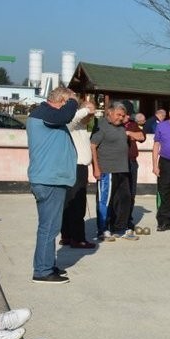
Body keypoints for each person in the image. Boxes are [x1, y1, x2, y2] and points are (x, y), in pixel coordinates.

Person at [26, 87, 78, 284]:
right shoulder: (46, 112)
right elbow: (65, 115)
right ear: (62, 101)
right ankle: (42, 271)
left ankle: (46, 264)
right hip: (49, 180)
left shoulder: (47, 115)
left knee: (48, 226)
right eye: (70, 103)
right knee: (49, 227)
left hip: (50, 179)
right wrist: (73, 101)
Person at [90, 102, 140, 241]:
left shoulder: (121, 127)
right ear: (110, 113)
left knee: (124, 200)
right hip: (107, 170)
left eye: (123, 116)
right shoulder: (102, 126)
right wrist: (96, 167)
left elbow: (141, 137)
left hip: (122, 170)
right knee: (105, 201)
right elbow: (93, 146)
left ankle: (120, 228)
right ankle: (103, 230)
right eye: (118, 115)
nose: (121, 118)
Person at [60, 100, 97, 249]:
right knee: (76, 205)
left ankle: (68, 235)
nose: (91, 116)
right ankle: (77, 238)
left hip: (80, 168)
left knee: (71, 203)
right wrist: (87, 110)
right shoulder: (72, 124)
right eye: (90, 112)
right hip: (76, 168)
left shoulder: (82, 127)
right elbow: (73, 118)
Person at [123, 113, 146, 229]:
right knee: (120, 193)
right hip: (118, 163)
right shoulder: (113, 125)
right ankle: (115, 219)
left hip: (131, 162)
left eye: (127, 114)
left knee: (131, 192)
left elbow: (142, 137)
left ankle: (128, 218)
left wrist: (129, 133)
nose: (127, 117)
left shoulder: (132, 125)